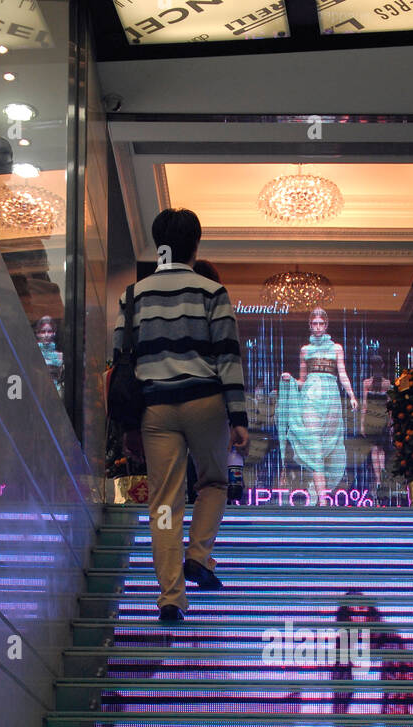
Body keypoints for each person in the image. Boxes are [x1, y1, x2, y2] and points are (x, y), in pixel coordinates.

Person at [112, 208, 249, 623]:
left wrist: (127, 425)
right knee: (213, 482)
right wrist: (238, 415)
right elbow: (228, 357)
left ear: (159, 244)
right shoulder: (211, 292)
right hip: (205, 402)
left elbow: (122, 361)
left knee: (165, 503)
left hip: (155, 409)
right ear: (196, 245)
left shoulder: (132, 295)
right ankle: (200, 557)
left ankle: (171, 598)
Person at [276, 307, 357, 502]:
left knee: (329, 446)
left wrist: (352, 395)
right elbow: (303, 379)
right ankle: (323, 499)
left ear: (326, 325)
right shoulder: (305, 350)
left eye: (321, 323)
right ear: (310, 326)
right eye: (314, 323)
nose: (318, 327)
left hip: (330, 398)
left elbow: (342, 373)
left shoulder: (336, 348)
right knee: (315, 446)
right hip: (310, 397)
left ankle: (321, 495)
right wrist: (290, 380)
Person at [360, 354, 391, 496]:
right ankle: (381, 477)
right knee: (380, 450)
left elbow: (365, 405)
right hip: (382, 418)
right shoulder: (386, 383)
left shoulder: (367, 383)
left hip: (373, 419)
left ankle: (379, 480)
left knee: (375, 449)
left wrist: (362, 423)